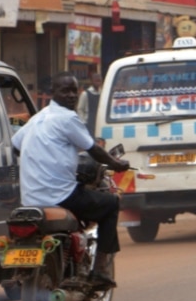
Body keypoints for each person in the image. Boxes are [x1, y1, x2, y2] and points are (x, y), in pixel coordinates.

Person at [11, 72, 130, 288]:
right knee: (111, 204)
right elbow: (93, 149)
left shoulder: (38, 117)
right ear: (52, 93)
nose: (71, 95)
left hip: (30, 198)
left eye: (75, 90)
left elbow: (15, 146)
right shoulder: (68, 118)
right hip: (60, 196)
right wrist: (117, 164)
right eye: (65, 91)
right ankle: (101, 270)